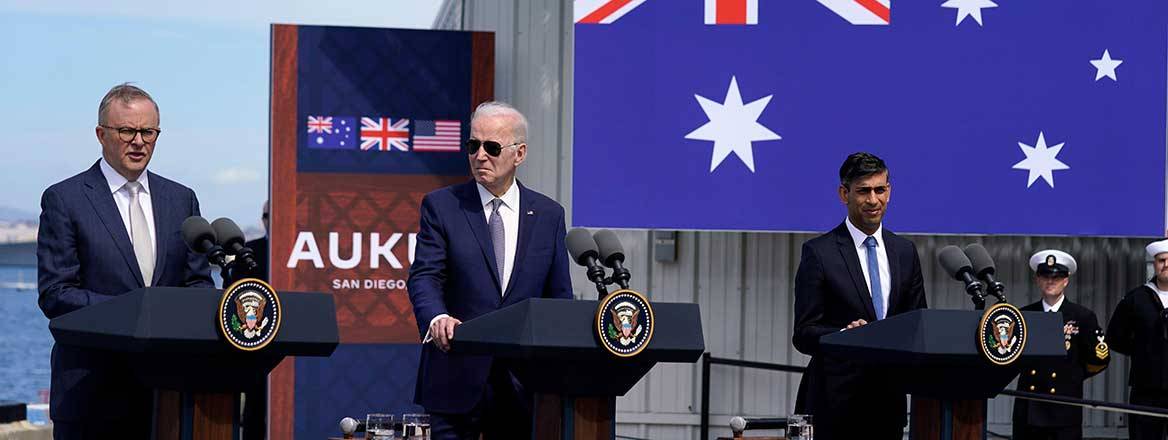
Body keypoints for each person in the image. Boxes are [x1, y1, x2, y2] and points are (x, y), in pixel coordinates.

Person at [36, 83, 214, 439]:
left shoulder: (181, 200)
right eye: (127, 131)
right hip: (91, 395)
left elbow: (198, 285)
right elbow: (56, 294)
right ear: (101, 134)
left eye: (148, 132)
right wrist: (138, 312)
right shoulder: (65, 199)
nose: (139, 141)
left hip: (168, 396)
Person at [407, 101, 573, 439]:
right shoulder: (442, 206)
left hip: (524, 386)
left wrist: (558, 367)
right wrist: (437, 318)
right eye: (473, 145)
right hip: (456, 379)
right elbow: (425, 276)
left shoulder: (549, 215)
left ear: (519, 153)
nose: (480, 155)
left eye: (492, 147)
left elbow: (559, 298)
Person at [791, 152, 927, 440]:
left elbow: (917, 324)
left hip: (887, 406)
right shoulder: (819, 253)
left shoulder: (905, 252)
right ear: (844, 193)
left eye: (880, 189)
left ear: (889, 191)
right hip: (833, 405)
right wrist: (845, 336)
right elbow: (803, 333)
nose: (873, 200)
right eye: (863, 191)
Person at [1013, 250, 1110, 440]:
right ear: (1037, 279)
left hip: (1064, 407)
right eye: (1045, 276)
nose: (1051, 281)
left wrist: (1072, 375)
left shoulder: (1082, 316)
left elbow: (1100, 359)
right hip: (1029, 407)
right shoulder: (1024, 315)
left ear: (1066, 280)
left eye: (1057, 277)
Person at [1107, 239, 1168, 440]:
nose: (1166, 264)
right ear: (1155, 264)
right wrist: (1142, 351)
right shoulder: (1137, 298)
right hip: (1146, 388)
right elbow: (1114, 336)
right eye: (1161, 260)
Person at [241, 200, 269, 440]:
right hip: (255, 344)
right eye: (268, 215)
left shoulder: (302, 252)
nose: (272, 219)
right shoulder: (248, 252)